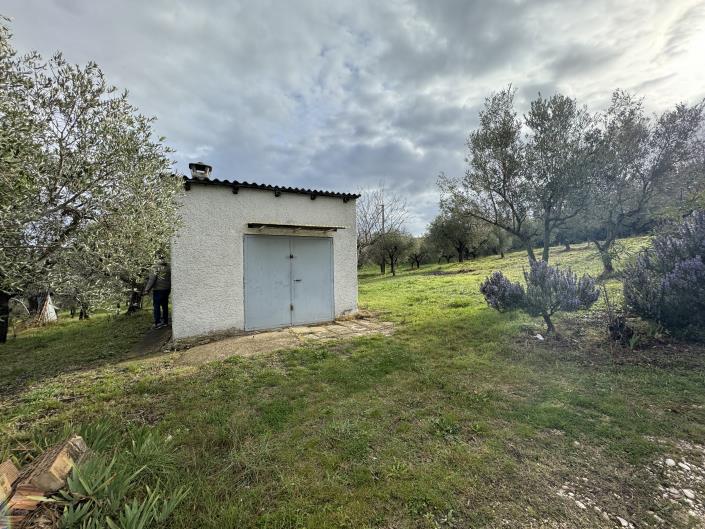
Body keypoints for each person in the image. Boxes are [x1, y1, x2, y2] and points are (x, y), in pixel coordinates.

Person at [144, 256, 171, 329]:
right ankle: (165, 322)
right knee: (165, 305)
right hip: (167, 289)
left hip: (158, 290)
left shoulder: (155, 267)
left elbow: (152, 280)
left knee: (156, 306)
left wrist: (147, 289)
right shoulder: (169, 266)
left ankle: (158, 323)